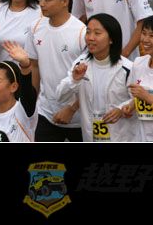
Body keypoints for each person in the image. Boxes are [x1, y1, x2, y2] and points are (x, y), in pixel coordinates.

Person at [25, 0, 86, 142]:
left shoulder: (81, 33)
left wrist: (72, 108)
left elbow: (90, 79)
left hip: (78, 118)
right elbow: (34, 67)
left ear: (65, 1)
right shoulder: (35, 27)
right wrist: (32, 101)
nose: (41, 3)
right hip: (46, 113)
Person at [57, 13, 135, 142]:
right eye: (88, 32)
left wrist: (121, 109)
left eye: (97, 33)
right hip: (90, 137)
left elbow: (137, 100)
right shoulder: (80, 64)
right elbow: (60, 97)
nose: (90, 38)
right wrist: (74, 80)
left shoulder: (128, 68)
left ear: (111, 39)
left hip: (121, 137)